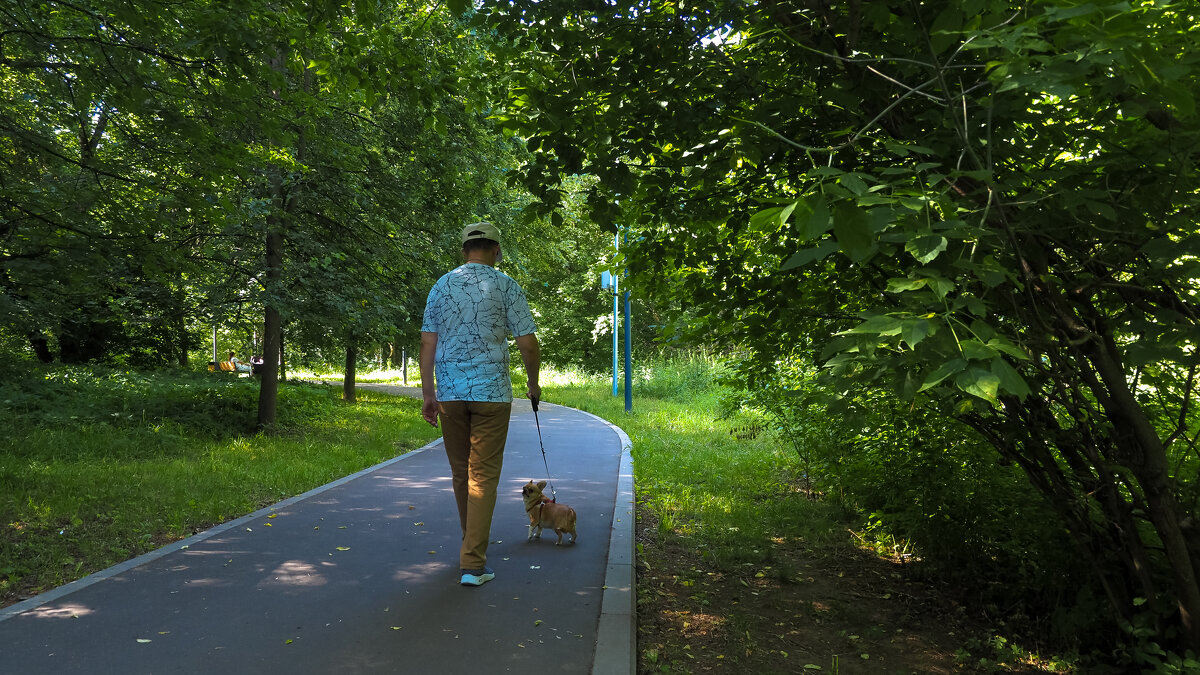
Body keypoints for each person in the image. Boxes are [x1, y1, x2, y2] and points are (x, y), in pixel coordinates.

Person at [420, 221, 540, 587]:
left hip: (451, 397)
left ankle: (469, 542)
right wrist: (533, 383)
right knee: (483, 475)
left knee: (461, 473)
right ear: (497, 250)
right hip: (492, 396)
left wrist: (429, 394)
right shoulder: (506, 285)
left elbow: (427, 344)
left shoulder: (441, 286)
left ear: (463, 251)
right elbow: (528, 344)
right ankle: (473, 563)